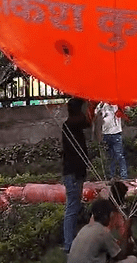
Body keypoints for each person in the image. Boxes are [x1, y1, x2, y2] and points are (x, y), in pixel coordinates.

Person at [62, 97, 95, 253]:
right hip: (73, 174)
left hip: (76, 173)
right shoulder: (70, 125)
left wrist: (91, 106)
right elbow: (86, 121)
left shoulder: (73, 125)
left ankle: (72, 241)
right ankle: (69, 244)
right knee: (72, 208)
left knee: (75, 207)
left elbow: (88, 122)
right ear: (77, 112)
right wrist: (91, 106)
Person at [67, 198, 137, 263]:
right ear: (107, 216)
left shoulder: (85, 228)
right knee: (133, 259)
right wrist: (127, 230)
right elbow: (120, 256)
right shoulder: (103, 231)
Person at [95, 103, 128, 180]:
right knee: (110, 157)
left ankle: (124, 176)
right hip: (106, 134)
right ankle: (111, 176)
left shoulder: (117, 104)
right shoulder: (102, 105)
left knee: (119, 155)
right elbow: (96, 114)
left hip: (116, 133)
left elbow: (125, 110)